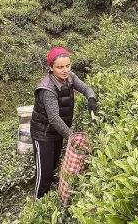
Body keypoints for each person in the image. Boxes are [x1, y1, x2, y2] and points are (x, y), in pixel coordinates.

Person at [30, 46, 97, 200]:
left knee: (53, 165)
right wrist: (72, 136)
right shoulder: (47, 89)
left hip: (58, 131)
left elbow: (85, 88)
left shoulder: (70, 77)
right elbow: (53, 118)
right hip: (43, 133)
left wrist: (91, 98)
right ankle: (37, 201)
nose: (65, 70)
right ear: (51, 68)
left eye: (67, 66)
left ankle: (49, 193)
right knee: (44, 172)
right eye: (60, 67)